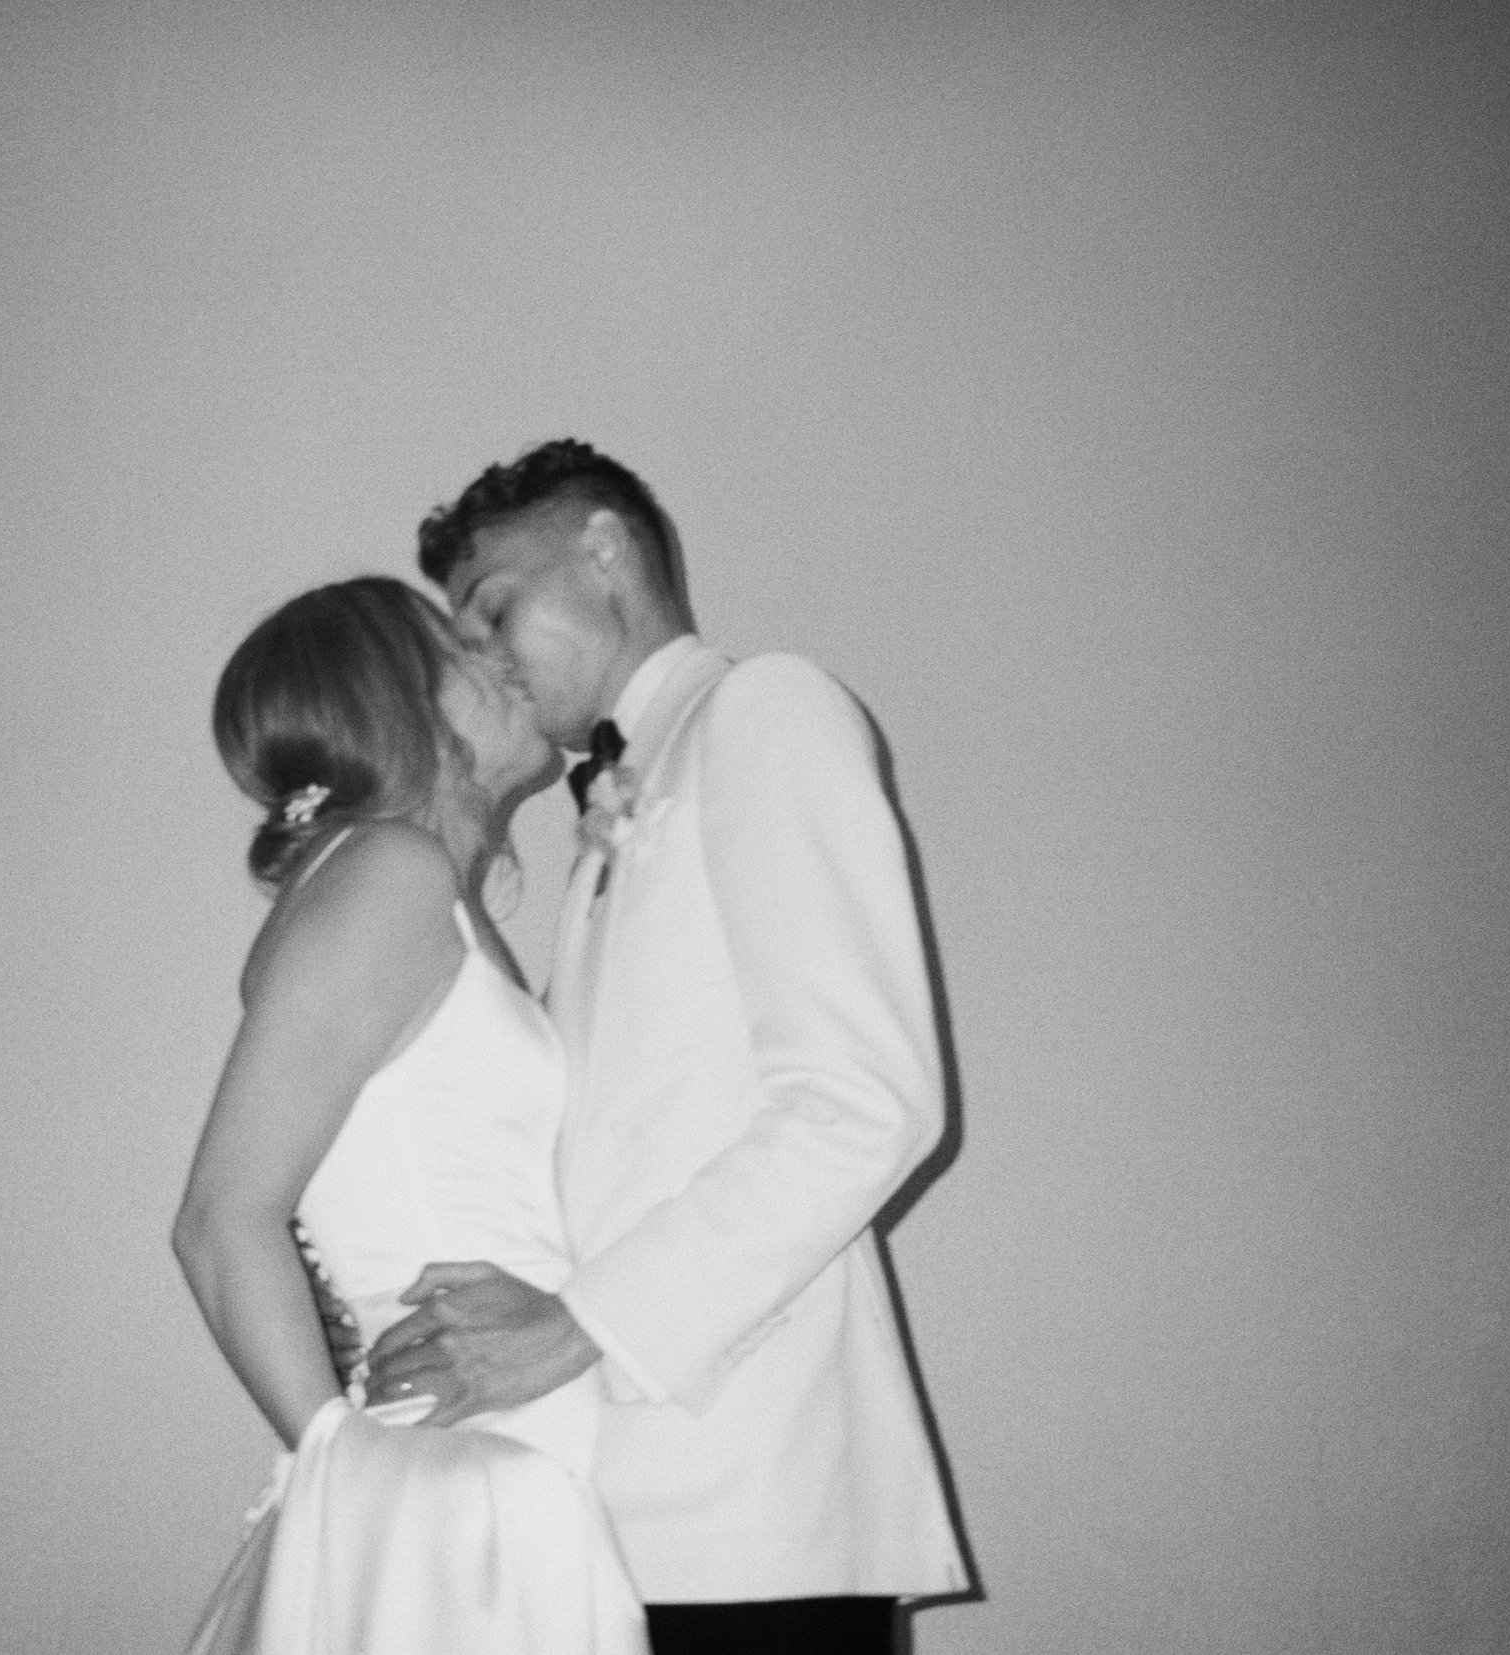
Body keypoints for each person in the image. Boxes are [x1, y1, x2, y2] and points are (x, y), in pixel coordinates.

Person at [366, 440, 975, 1653]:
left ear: (605, 550)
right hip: (637, 1498)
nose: (484, 657)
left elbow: (865, 1102)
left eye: (495, 609)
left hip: (758, 1494)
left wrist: (575, 1323)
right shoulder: (623, 796)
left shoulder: (764, 707)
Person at [172, 576, 648, 1654]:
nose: (504, 665)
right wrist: (353, 1466)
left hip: (512, 1448)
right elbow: (218, 1217)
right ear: (401, 699)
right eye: (464, 651)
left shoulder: (414, 886)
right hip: (462, 1491)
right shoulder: (391, 871)